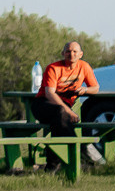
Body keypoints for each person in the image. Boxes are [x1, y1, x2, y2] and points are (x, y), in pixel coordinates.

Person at [33, 39, 104, 168]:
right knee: (61, 115)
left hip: (62, 109)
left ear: (81, 54)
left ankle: (53, 166)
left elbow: (96, 88)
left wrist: (85, 89)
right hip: (43, 104)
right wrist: (69, 111)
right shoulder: (53, 68)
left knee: (58, 126)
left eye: (75, 51)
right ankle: (82, 149)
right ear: (63, 53)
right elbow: (50, 93)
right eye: (68, 52)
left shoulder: (84, 67)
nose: (71, 54)